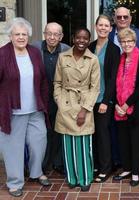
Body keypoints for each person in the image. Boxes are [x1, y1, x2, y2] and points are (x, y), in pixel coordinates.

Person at [0, 17, 51, 197]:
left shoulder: (34, 53)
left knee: (40, 141)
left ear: (28, 36)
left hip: (35, 109)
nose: (21, 37)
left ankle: (36, 173)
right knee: (12, 148)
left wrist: (43, 102)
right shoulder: (3, 54)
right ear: (11, 36)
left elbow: (43, 79)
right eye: (17, 34)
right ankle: (14, 182)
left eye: (24, 34)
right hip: (12, 111)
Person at [53, 27, 100, 191]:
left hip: (83, 104)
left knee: (83, 144)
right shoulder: (62, 57)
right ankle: (72, 178)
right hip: (65, 104)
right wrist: (59, 100)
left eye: (85, 38)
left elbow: (95, 88)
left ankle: (85, 178)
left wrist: (84, 110)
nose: (82, 41)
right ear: (73, 39)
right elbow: (57, 83)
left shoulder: (93, 59)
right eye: (79, 38)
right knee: (68, 145)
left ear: (89, 40)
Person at [111, 28, 139, 187]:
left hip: (137, 108)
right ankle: (126, 168)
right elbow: (115, 83)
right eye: (123, 41)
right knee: (123, 140)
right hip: (120, 108)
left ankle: (135, 173)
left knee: (135, 142)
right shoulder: (120, 59)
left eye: (129, 41)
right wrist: (118, 105)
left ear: (135, 42)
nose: (126, 44)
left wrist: (126, 104)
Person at [32, 22, 70, 174]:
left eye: (56, 34)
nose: (52, 37)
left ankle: (58, 163)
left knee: (58, 130)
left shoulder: (67, 50)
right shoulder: (34, 48)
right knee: (41, 132)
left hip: (59, 98)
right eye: (49, 33)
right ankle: (41, 164)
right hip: (39, 98)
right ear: (44, 34)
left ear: (61, 36)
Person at [88, 14, 120, 183]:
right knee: (91, 134)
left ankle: (106, 168)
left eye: (106, 25)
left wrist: (106, 101)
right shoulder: (90, 46)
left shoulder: (114, 49)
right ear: (95, 26)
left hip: (103, 100)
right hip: (89, 99)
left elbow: (112, 78)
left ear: (110, 28)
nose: (103, 28)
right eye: (100, 25)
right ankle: (95, 165)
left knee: (102, 133)